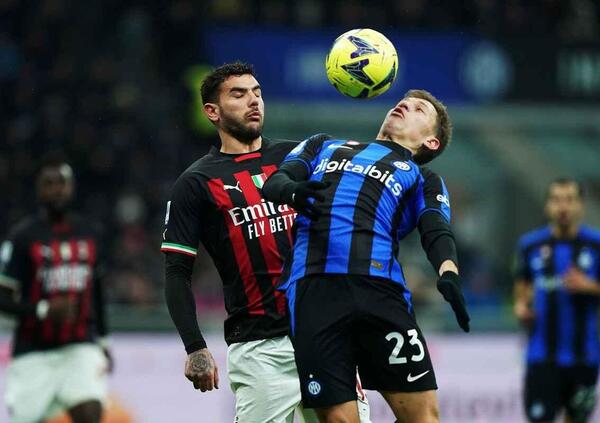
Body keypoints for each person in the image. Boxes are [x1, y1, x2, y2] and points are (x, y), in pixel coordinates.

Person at [161, 62, 370, 422]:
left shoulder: (297, 157)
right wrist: (195, 346)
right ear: (212, 111)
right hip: (259, 348)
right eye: (238, 94)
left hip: (323, 334)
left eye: (257, 92)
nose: (253, 101)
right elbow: (177, 271)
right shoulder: (195, 183)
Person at [263, 89, 471, 423]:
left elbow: (435, 228)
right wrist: (292, 191)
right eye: (403, 101)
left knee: (424, 418)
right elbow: (275, 182)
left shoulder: (423, 178)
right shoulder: (322, 144)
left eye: (419, 109)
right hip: (314, 291)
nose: (404, 105)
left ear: (431, 142)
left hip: (379, 293)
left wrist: (448, 273)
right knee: (339, 420)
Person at [0, 157, 111, 423]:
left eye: (61, 183)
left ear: (71, 187)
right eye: (49, 184)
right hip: (33, 351)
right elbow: (2, 298)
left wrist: (104, 341)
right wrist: (43, 309)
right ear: (38, 190)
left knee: (90, 413)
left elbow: (96, 290)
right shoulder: (22, 237)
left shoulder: (90, 233)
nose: (56, 190)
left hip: (79, 346)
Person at [513, 178, 600, 423]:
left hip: (585, 357)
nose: (563, 207)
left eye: (570, 200)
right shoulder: (530, 246)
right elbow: (522, 289)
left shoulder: (596, 245)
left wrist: (590, 286)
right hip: (541, 358)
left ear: (581, 205)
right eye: (556, 200)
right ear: (547, 206)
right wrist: (521, 308)